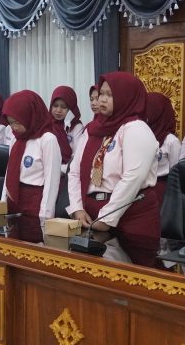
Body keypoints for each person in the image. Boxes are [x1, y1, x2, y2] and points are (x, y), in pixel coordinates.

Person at [67, 72, 159, 240]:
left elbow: (133, 177)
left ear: (126, 97)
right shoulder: (93, 129)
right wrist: (77, 208)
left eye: (110, 95)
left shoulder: (136, 128)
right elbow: (74, 172)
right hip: (90, 215)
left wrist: (107, 218)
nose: (102, 99)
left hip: (130, 218)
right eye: (101, 94)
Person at [1, 90, 62, 219]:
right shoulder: (16, 138)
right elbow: (9, 173)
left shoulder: (47, 140)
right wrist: (2, 204)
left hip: (34, 204)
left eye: (18, 122)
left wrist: (45, 217)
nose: (14, 127)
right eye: (11, 122)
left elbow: (52, 182)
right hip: (13, 202)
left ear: (30, 116)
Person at [144, 92, 180, 207]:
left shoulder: (171, 141)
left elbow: (176, 173)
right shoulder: (141, 135)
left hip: (162, 192)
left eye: (148, 108)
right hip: (141, 189)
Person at [51, 86, 85, 153]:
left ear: (71, 109)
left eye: (63, 107)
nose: (58, 110)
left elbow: (77, 153)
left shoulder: (76, 127)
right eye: (55, 106)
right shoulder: (46, 125)